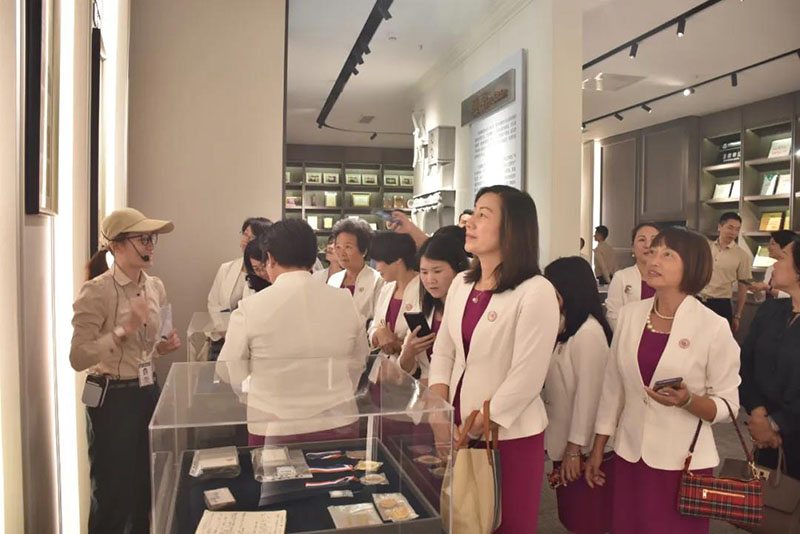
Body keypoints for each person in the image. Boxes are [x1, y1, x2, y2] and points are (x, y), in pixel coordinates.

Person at [585, 226, 741, 534]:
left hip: (682, 463)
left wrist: (688, 401)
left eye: (667, 254)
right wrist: (598, 447)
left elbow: (729, 406)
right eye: (652, 251)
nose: (653, 259)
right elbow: (613, 389)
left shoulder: (713, 326)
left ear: (692, 265)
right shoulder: (631, 315)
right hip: (630, 455)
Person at [428, 185, 560, 534]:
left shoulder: (535, 290)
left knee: (506, 523)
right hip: (459, 428)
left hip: (507, 436)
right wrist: (439, 413)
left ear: (511, 229)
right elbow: (444, 350)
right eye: (472, 212)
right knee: (464, 520)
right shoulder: (461, 283)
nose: (469, 221)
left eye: (483, 215)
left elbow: (527, 377)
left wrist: (474, 426)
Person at [70, 208, 182, 534]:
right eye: (142, 239)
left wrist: (162, 347)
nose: (150, 246)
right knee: (112, 494)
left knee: (145, 490)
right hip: (112, 400)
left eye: (152, 239)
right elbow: (78, 357)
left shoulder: (155, 286)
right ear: (116, 246)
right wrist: (123, 330)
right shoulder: (97, 290)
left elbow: (153, 344)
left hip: (148, 392)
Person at [218, 219, 370, 444]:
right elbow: (358, 361)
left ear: (270, 258)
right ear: (312, 257)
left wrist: (253, 393)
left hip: (272, 424)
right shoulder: (345, 301)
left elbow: (229, 370)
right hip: (338, 420)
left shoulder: (250, 308)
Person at [543, 256, 614, 534]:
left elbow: (589, 399)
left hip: (582, 449)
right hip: (565, 442)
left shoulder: (588, 333)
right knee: (574, 517)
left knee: (587, 519)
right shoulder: (566, 325)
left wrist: (575, 450)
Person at [740, 236, 800, 479]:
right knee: (771, 498)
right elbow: (745, 364)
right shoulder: (771, 310)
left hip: (789, 430)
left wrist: (776, 424)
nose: (774, 264)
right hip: (765, 437)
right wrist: (757, 413)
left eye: (782, 258)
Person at [397, 232, 470, 382]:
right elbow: (409, 369)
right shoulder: (422, 309)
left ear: (458, 269)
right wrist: (408, 352)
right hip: (427, 391)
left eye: (437, 271)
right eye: (424, 272)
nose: (430, 280)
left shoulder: (469, 310)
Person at [367, 232, 421, 359]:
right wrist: (378, 335)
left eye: (380, 261)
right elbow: (375, 324)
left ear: (398, 260)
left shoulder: (423, 289)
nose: (377, 267)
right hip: (384, 364)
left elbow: (423, 339)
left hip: (413, 365)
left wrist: (396, 344)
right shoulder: (387, 288)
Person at [698, 212, 750, 332]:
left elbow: (743, 287)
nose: (733, 232)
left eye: (737, 229)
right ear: (720, 227)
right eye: (730, 228)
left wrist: (737, 315)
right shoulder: (706, 248)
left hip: (721, 304)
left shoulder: (742, 255)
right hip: (699, 300)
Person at [327, 218, 384, 327]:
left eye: (348, 247)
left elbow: (379, 320)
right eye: (338, 247)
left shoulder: (377, 280)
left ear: (364, 250)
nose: (341, 253)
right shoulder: (334, 279)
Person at [207, 217, 271, 314]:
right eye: (245, 234)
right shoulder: (226, 268)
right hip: (224, 323)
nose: (246, 240)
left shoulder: (269, 272)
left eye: (253, 237)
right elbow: (213, 303)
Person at [605, 223, 660, 329]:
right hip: (629, 336)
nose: (648, 245)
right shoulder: (622, 277)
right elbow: (613, 317)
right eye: (642, 240)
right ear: (633, 247)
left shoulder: (671, 278)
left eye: (654, 240)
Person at [749, 229, 796, 300]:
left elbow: (790, 297)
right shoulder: (771, 268)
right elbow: (762, 298)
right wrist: (757, 290)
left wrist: (767, 288)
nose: (768, 248)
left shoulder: (795, 269)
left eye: (773, 244)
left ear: (786, 247)